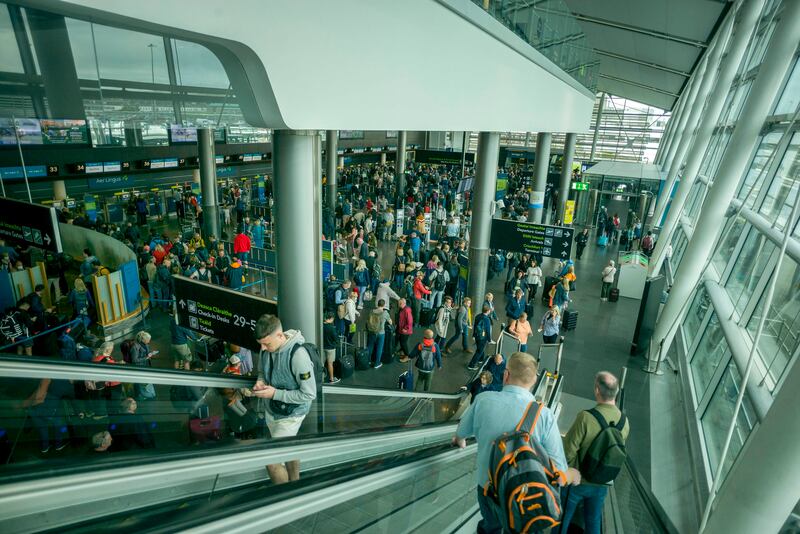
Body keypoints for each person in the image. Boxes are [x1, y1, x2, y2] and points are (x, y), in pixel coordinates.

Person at [453, 352, 578, 533]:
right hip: (524, 493)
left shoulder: (483, 400)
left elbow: (461, 434)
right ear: (534, 381)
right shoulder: (544, 415)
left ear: (506, 374)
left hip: (488, 487)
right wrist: (571, 475)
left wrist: (459, 441)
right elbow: (558, 467)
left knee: (490, 526)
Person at [560, 372, 630, 534]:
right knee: (593, 520)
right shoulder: (624, 422)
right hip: (602, 482)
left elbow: (568, 450)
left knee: (563, 518)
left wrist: (568, 472)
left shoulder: (586, 417)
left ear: (597, 390)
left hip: (577, 481)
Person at [252, 314, 317, 484]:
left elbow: (309, 394)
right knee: (290, 447)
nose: (264, 349)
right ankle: (294, 483)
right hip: (272, 409)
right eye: (261, 345)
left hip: (291, 414)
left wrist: (274, 394)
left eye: (267, 344)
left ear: (280, 336)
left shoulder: (298, 356)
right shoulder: (267, 346)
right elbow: (262, 372)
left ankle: (285, 500)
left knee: (272, 462)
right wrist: (261, 381)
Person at [130, 331, 157, 400]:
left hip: (145, 365)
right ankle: (140, 395)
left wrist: (151, 353)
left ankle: (146, 394)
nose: (149, 341)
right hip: (139, 367)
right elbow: (134, 360)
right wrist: (146, 357)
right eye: (148, 339)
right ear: (143, 339)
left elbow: (146, 353)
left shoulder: (145, 344)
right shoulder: (135, 347)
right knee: (139, 382)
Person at [366, 299, 392, 368]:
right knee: (379, 348)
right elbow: (390, 322)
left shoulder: (371, 311)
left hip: (372, 331)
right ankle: (377, 363)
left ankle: (368, 361)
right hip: (381, 333)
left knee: (370, 346)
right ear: (384, 305)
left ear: (377, 304)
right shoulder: (385, 313)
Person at [468, 304, 493, 370]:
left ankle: (481, 359)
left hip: (477, 336)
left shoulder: (477, 316)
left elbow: (475, 326)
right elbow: (487, 330)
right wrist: (489, 339)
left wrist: (473, 335)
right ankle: (471, 365)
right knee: (479, 351)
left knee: (480, 348)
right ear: (488, 311)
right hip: (483, 337)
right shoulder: (487, 319)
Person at [322, 312, 340, 384]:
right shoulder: (331, 328)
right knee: (330, 364)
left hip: (322, 347)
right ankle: (331, 379)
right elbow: (336, 339)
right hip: (330, 348)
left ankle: (321, 377)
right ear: (331, 318)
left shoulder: (321, 325)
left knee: (321, 363)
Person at [396, 298, 413, 363]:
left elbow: (410, 321)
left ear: (402, 303)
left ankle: (407, 356)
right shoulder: (402, 309)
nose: (398, 304)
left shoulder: (407, 310)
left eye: (399, 303)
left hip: (405, 331)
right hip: (401, 329)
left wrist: (405, 328)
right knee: (402, 342)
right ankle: (403, 353)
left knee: (403, 343)